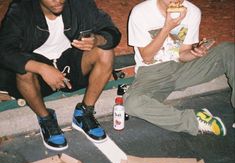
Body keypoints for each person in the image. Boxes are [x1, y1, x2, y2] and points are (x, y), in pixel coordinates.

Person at [0, 0, 121, 151]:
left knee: (105, 51)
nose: (59, 1)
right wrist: (42, 68)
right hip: (38, 74)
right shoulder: (21, 8)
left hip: (69, 64)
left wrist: (97, 39)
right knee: (23, 68)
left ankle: (84, 113)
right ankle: (46, 119)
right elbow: (4, 51)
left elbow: (112, 31)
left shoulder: (80, 4)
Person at [124, 0, 234, 136]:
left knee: (228, 50)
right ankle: (194, 121)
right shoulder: (141, 12)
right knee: (132, 104)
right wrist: (167, 27)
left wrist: (195, 54)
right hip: (153, 73)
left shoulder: (192, 11)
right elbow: (147, 57)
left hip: (182, 68)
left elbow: (182, 55)